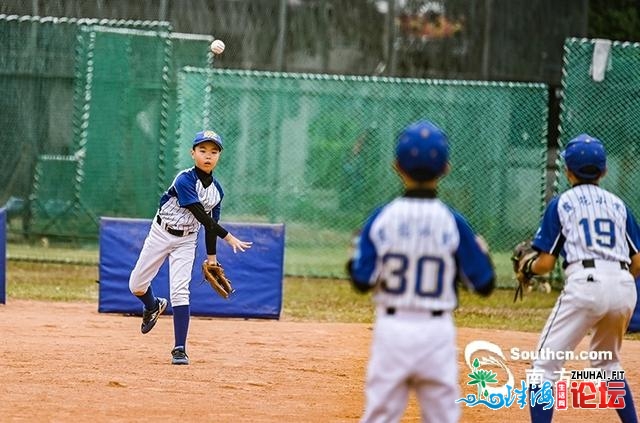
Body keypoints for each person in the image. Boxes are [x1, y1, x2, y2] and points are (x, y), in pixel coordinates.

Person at [347, 120, 495, 423]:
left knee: (380, 416)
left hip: (392, 329)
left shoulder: (383, 217)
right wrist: (482, 253)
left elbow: (361, 280)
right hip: (436, 332)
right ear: (446, 168)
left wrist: (355, 256)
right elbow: (484, 283)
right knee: (442, 416)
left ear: (396, 166)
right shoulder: (453, 221)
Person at [522, 134, 640, 422]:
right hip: (625, 285)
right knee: (608, 363)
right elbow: (638, 261)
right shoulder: (618, 205)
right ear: (604, 171)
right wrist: (618, 280)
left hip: (585, 282)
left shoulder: (562, 203)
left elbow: (546, 264)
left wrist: (527, 267)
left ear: (568, 171)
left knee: (544, 366)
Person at [128, 130, 252, 365]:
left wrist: (212, 258)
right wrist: (228, 237)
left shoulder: (217, 192)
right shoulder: (184, 179)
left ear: (219, 156)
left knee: (180, 291)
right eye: (202, 150)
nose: (208, 156)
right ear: (192, 153)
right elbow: (202, 216)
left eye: (214, 152)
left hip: (187, 240)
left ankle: (179, 348)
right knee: (136, 285)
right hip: (161, 233)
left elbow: (208, 227)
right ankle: (153, 305)